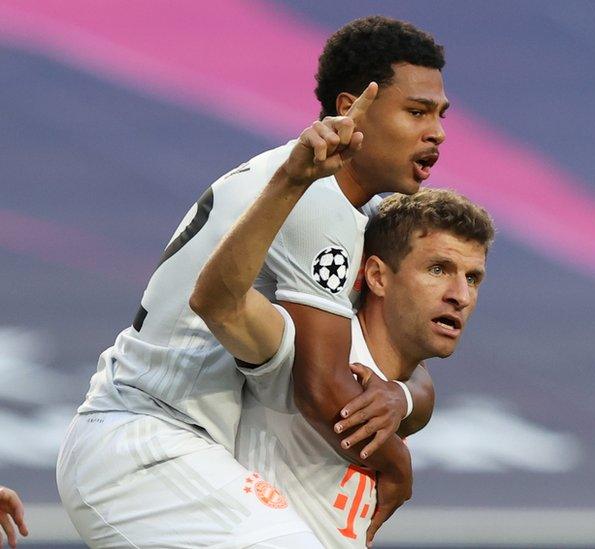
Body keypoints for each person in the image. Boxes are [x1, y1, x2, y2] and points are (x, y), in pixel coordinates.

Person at [57, 16, 449, 547]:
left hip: (192, 447)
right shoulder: (319, 197)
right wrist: (397, 465)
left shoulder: (352, 210)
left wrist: (402, 397)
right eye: (416, 111)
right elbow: (322, 392)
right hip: (147, 442)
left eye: (440, 115)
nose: (438, 133)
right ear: (349, 109)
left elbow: (398, 355)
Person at [193, 187, 493, 547]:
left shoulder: (404, 390)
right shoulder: (308, 346)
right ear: (378, 277)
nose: (460, 295)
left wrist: (405, 398)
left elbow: (419, 395)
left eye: (472, 278)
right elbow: (221, 303)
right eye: (438, 269)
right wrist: (289, 181)